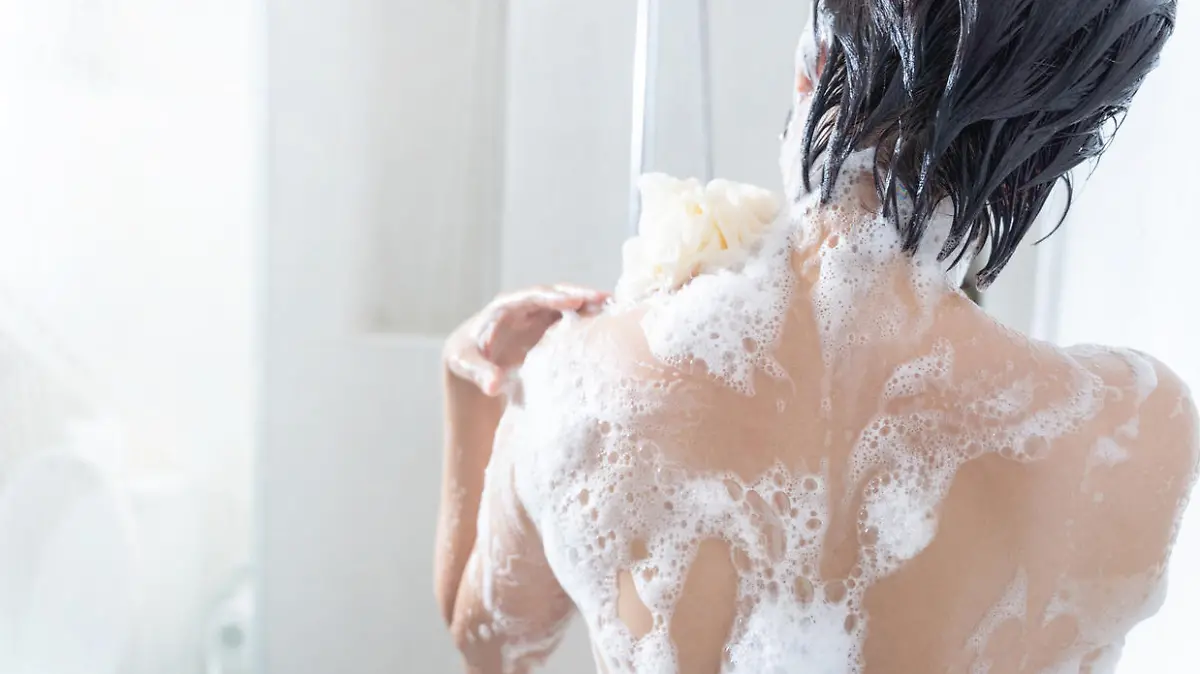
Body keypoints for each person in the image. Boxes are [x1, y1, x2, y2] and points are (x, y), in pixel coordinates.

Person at [434, 1, 1197, 672]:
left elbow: (489, 645)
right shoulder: (1139, 432)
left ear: (819, 62)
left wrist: (470, 384)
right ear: (1064, 146)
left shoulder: (579, 376)